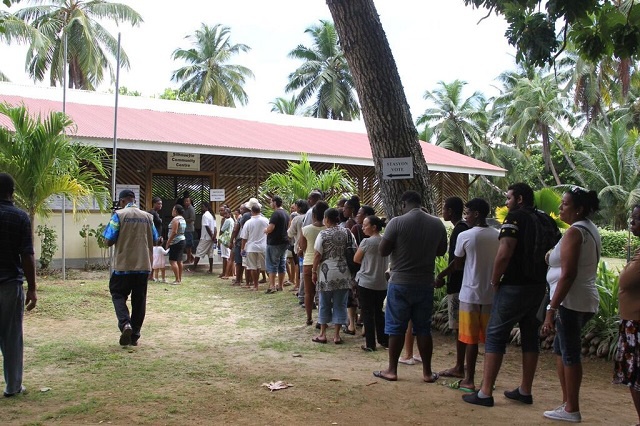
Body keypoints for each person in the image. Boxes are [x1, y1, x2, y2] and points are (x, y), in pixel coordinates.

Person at [463, 182, 560, 407]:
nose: (506, 203)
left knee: (495, 334)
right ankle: (525, 390)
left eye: (508, 198)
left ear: (519, 199)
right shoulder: (546, 219)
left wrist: (495, 280)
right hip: (538, 286)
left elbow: (505, 251)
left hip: (514, 285)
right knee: (530, 335)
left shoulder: (515, 219)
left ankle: (485, 392)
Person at [539, 188, 601, 422]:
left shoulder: (576, 233)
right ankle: (567, 403)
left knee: (570, 352)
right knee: (561, 349)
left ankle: (572, 407)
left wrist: (551, 308)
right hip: (578, 299)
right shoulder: (585, 230)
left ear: (579, 209)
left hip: (571, 301)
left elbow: (568, 274)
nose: (560, 208)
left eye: (565, 204)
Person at [373, 190, 447, 382]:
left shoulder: (396, 222)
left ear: (404, 204)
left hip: (400, 282)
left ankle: (392, 370)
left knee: (396, 327)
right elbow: (441, 250)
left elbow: (382, 251)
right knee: (423, 328)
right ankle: (428, 373)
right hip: (425, 283)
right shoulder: (436, 223)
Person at [449, 198, 499, 392]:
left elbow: (458, 262)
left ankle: (469, 378)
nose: (466, 216)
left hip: (470, 292)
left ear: (476, 214)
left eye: (468, 212)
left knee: (470, 339)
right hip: (491, 293)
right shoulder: (497, 235)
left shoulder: (466, 235)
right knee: (489, 341)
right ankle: (488, 381)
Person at [103, 189, 158, 347]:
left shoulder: (119, 215)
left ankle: (125, 324)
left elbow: (108, 239)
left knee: (118, 294)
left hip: (123, 266)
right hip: (143, 266)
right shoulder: (148, 217)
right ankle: (134, 335)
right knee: (139, 301)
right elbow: (155, 238)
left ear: (121, 201)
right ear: (134, 200)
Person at [0, 173, 37, 397]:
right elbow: (27, 255)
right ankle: (13, 386)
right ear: (12, 193)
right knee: (12, 336)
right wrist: (32, 288)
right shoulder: (20, 217)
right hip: (9, 285)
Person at [434, 196, 468, 377]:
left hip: (457, 284)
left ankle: (459, 366)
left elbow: (457, 261)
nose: (444, 212)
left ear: (451, 211)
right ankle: (463, 365)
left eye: (445, 209)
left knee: (459, 327)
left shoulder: (459, 231)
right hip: (464, 284)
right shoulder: (464, 229)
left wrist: (441, 275)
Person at [311, 208, 356, 344]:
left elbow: (317, 254)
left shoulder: (323, 234)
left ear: (326, 219)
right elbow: (355, 248)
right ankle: (336, 335)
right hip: (344, 273)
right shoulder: (347, 232)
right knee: (340, 303)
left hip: (326, 273)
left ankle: (323, 334)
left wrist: (314, 271)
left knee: (324, 302)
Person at [614, 204, 640, 426]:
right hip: (632, 321)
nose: (632, 222)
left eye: (637, 219)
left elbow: (625, 281)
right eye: (632, 218)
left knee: (636, 376)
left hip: (637, 324)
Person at [354, 215, 389, 351]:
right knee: (379, 312)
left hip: (366, 281)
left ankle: (370, 344)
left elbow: (356, 259)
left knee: (367, 313)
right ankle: (383, 340)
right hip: (382, 282)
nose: (363, 227)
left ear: (374, 227)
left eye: (365, 225)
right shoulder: (386, 241)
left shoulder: (367, 242)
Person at [299, 201, 329, 325]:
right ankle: (322, 320)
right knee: (323, 293)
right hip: (324, 264)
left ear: (314, 215)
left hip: (309, 262)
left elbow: (303, 246)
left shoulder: (305, 229)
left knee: (308, 293)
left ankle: (309, 318)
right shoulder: (328, 229)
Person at [240, 203, 269, 291]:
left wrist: (242, 248)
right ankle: (272, 283)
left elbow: (244, 238)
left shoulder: (248, 222)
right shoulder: (266, 220)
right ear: (260, 211)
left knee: (253, 267)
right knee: (266, 266)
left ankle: (255, 286)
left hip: (251, 247)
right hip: (263, 246)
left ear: (252, 212)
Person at [265, 196, 290, 293]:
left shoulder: (276, 214)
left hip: (274, 242)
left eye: (271, 202)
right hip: (284, 241)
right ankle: (280, 285)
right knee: (282, 263)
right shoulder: (286, 213)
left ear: (275, 203)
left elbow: (271, 228)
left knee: (272, 264)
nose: (270, 204)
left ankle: (272, 286)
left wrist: (266, 230)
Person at [190, 202, 217, 274]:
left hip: (205, 237)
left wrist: (211, 236)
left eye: (202, 207)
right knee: (210, 253)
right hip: (211, 237)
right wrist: (214, 236)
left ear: (206, 207)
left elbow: (207, 227)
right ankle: (211, 269)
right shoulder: (212, 215)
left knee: (199, 251)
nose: (202, 208)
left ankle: (194, 268)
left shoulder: (205, 215)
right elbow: (215, 228)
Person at [166, 204, 187, 285]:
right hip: (182, 240)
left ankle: (177, 279)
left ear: (176, 211)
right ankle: (179, 278)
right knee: (179, 260)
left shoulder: (175, 219)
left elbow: (174, 232)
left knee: (172, 260)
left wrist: (168, 241)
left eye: (173, 209)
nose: (172, 211)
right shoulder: (183, 219)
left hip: (176, 241)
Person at [219, 207, 235, 278]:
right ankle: (231, 272)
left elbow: (222, 230)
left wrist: (219, 239)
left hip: (225, 239)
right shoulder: (232, 220)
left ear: (229, 213)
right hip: (230, 239)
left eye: (226, 213)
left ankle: (225, 272)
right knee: (229, 256)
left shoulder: (227, 220)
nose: (224, 215)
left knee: (225, 256)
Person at [183, 196, 196, 264]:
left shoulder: (191, 209)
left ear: (190, 202)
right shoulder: (185, 209)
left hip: (189, 229)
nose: (186, 202)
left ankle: (189, 259)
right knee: (186, 244)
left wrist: (183, 220)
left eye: (187, 201)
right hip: (185, 228)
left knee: (189, 245)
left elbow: (192, 219)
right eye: (185, 201)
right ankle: (191, 257)